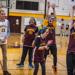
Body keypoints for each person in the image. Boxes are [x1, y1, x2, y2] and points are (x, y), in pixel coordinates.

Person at [45, 4, 57, 74]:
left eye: (51, 19)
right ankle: (43, 65)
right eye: (49, 18)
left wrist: (54, 9)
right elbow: (46, 16)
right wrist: (48, 8)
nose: (50, 19)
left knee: (55, 56)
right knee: (45, 55)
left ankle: (55, 66)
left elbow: (55, 17)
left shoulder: (54, 24)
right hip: (47, 43)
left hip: (53, 43)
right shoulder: (46, 24)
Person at [0, 9, 11, 75]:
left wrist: (6, 36)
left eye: (4, 14)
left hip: (4, 41)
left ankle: (5, 71)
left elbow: (9, 31)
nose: (3, 15)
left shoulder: (7, 21)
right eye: (2, 14)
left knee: (5, 56)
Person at [66, 6, 75, 75]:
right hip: (70, 53)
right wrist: (73, 10)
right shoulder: (71, 30)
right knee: (70, 71)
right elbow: (71, 20)